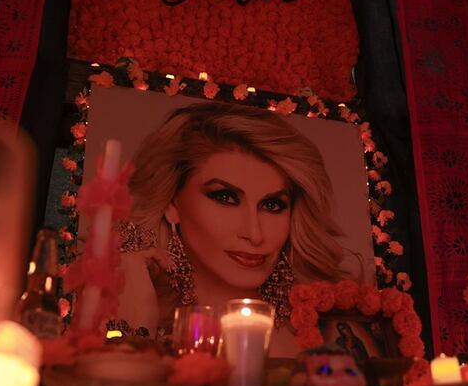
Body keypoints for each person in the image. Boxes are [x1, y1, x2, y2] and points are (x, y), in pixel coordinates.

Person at [116, 101, 358, 356]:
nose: (255, 234)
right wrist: (138, 327)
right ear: (173, 203)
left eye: (272, 205)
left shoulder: (333, 325)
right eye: (225, 198)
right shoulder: (127, 310)